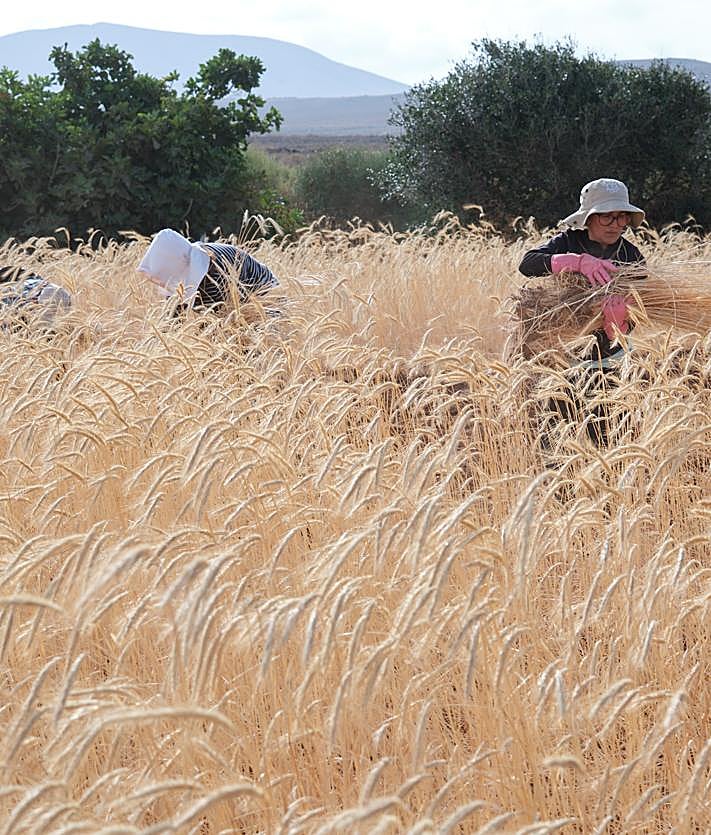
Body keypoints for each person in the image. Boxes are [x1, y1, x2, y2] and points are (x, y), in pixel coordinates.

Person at [518, 178, 646, 447]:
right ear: (588, 218)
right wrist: (575, 262)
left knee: (609, 440)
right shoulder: (567, 242)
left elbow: (643, 301)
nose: (616, 224)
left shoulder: (631, 255)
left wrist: (619, 323)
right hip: (562, 361)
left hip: (610, 363)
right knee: (556, 442)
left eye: (621, 217)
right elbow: (527, 264)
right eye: (607, 217)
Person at [137, 228, 279, 313]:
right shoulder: (183, 275)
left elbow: (226, 317)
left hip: (264, 295)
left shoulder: (218, 270)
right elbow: (174, 316)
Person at [0, 265, 72, 333]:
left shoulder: (5, 282)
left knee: (45, 334)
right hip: (59, 290)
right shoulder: (10, 271)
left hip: (41, 296)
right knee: (64, 330)